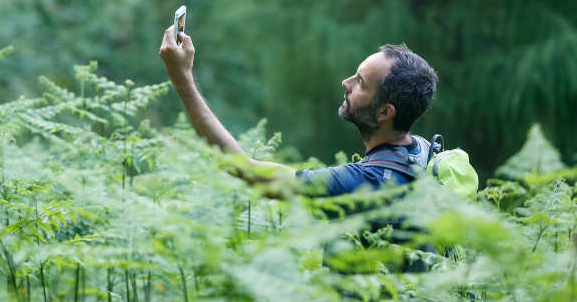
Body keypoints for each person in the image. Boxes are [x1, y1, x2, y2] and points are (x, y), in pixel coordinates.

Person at [157, 24, 439, 196]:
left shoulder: (365, 183)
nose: (346, 83)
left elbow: (247, 172)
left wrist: (182, 80)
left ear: (384, 113)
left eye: (361, 82)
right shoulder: (421, 152)